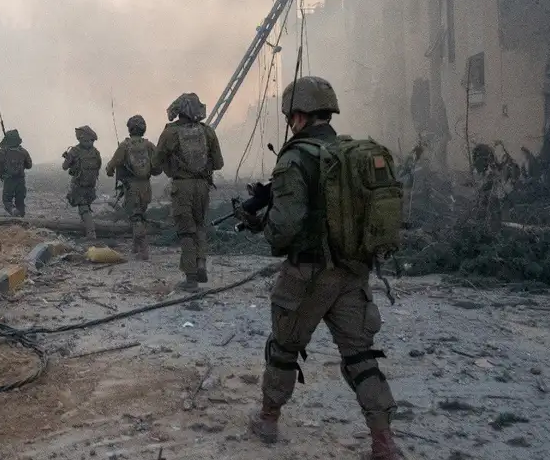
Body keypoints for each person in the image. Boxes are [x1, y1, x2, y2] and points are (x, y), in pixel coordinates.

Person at [239, 76, 404, 459]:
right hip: (352, 271)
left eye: (289, 117)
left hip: (309, 274)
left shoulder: (295, 159)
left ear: (297, 115)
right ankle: (383, 441)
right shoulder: (350, 155)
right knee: (361, 356)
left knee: (283, 348)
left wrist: (259, 222)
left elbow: (284, 230)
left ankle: (267, 419)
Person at [150, 93, 222, 292]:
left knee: (186, 230)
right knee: (200, 226)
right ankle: (201, 263)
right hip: (203, 186)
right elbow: (219, 163)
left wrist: (170, 166)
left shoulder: (170, 133)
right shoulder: (208, 132)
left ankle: (191, 278)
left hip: (182, 186)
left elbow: (155, 163)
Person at [105, 115, 156, 260]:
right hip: (146, 186)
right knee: (140, 214)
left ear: (130, 129)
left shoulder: (124, 146)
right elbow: (158, 166)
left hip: (131, 186)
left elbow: (111, 165)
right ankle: (136, 246)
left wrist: (110, 171)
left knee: (135, 217)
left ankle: (144, 250)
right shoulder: (149, 145)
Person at [62, 125, 102, 240]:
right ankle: (85, 227)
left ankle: (91, 233)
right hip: (91, 185)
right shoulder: (96, 152)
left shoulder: (74, 151)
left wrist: (68, 159)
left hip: (79, 185)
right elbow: (98, 166)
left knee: (83, 208)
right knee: (86, 207)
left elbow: (65, 167)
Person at [0, 129, 33, 217]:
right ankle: (22, 219)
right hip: (20, 180)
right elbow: (29, 165)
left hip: (9, 180)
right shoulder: (23, 152)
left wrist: (0, 174)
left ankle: (13, 211)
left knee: (7, 200)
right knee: (20, 201)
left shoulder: (2, 152)